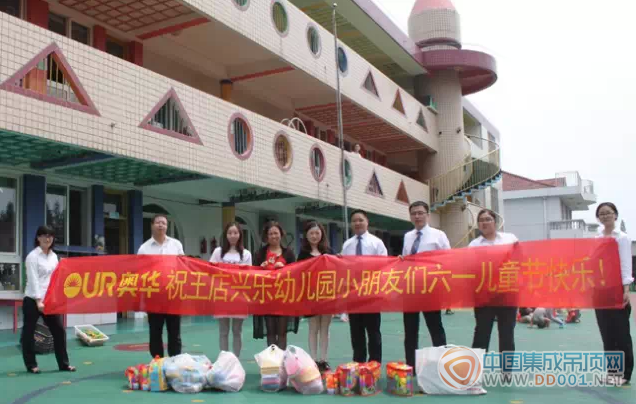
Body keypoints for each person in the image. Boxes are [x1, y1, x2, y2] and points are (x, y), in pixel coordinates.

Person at [468, 209, 518, 379]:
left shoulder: (510, 239)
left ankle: (506, 371)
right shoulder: (474, 245)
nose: (484, 222)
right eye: (481, 220)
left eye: (488, 219)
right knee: (481, 332)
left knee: (506, 333)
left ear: (495, 222)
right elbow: (469, 268)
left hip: (507, 293)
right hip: (484, 295)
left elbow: (521, 260)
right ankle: (475, 370)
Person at [399, 201, 449, 368]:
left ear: (428, 215)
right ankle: (410, 367)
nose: (417, 216)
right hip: (411, 289)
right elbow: (405, 260)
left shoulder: (439, 235)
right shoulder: (407, 236)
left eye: (420, 213)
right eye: (414, 213)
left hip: (431, 289)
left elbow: (448, 260)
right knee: (410, 331)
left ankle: (442, 365)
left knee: (435, 328)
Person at [22, 225, 76, 374]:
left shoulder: (54, 257)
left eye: (50, 236)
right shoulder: (32, 257)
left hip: (50, 300)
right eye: (44, 236)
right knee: (29, 332)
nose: (47, 239)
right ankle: (31, 365)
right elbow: (33, 280)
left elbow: (58, 278)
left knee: (59, 331)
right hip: (33, 300)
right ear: (38, 238)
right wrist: (39, 300)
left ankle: (64, 364)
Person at [341, 209, 388, 363]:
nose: (357, 223)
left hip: (372, 294)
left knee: (373, 331)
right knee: (356, 332)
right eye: (354, 220)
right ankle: (358, 363)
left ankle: (374, 364)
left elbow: (385, 265)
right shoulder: (347, 245)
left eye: (360, 220)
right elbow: (342, 268)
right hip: (354, 294)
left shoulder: (376, 243)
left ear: (367, 222)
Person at [594, 202, 633, 385]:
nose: (605, 216)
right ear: (598, 218)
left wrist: (626, 289)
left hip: (617, 291)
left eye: (609, 213)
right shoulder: (596, 238)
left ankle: (624, 374)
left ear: (615, 215)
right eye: (602, 214)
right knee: (607, 334)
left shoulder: (621, 238)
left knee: (621, 334)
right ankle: (612, 373)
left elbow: (625, 264)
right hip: (600, 292)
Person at [138, 214, 185, 358]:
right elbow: (140, 273)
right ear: (152, 225)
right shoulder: (144, 248)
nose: (161, 225)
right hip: (154, 296)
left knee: (174, 332)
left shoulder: (176, 244)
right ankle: (158, 363)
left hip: (173, 294)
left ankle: (175, 361)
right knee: (155, 331)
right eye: (158, 222)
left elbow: (183, 266)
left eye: (163, 223)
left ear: (167, 226)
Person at [253, 221, 298, 349]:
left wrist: (284, 269)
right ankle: (272, 363)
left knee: (282, 332)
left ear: (281, 234)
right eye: (270, 233)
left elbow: (295, 273)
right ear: (266, 236)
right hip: (267, 297)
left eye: (276, 233)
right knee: (271, 332)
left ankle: (282, 362)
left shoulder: (288, 253)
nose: (274, 236)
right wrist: (261, 269)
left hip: (283, 297)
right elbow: (253, 275)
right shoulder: (260, 253)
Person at [210, 221, 252, 357]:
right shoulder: (218, 252)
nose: (232, 235)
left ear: (240, 235)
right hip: (222, 296)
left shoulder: (246, 254)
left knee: (237, 331)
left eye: (235, 232)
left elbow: (248, 275)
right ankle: (223, 360)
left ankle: (235, 361)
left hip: (239, 297)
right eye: (230, 233)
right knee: (223, 331)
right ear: (225, 235)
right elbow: (211, 270)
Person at [298, 221, 334, 372]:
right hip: (311, 296)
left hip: (327, 295)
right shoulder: (303, 254)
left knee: (325, 328)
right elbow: (298, 275)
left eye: (317, 233)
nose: (314, 236)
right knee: (313, 328)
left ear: (322, 234)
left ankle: (323, 359)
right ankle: (312, 360)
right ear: (306, 235)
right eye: (311, 233)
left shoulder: (329, 251)